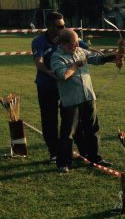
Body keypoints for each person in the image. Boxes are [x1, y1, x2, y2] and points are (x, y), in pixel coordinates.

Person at [50, 28, 118, 172]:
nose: (76, 45)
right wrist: (75, 65)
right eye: (73, 43)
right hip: (71, 101)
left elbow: (96, 58)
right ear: (63, 43)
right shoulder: (56, 57)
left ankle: (95, 157)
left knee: (93, 129)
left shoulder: (80, 51)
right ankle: (64, 163)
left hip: (88, 96)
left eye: (77, 42)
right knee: (68, 134)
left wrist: (114, 56)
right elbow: (63, 75)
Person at [31, 12, 89, 163]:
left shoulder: (66, 37)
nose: (64, 28)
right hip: (47, 86)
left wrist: (112, 55)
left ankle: (84, 152)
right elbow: (39, 63)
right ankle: (54, 153)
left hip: (65, 87)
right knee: (49, 120)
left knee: (72, 119)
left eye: (64, 25)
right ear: (49, 27)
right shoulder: (38, 41)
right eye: (60, 26)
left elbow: (88, 51)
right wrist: (50, 73)